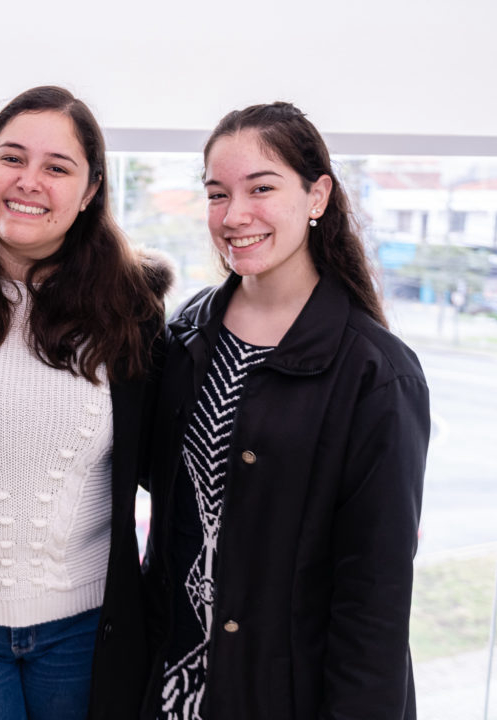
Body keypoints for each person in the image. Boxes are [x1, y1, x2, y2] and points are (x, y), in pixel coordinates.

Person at [140, 102, 429, 720]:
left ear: (317, 195)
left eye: (261, 188)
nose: (234, 215)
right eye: (217, 194)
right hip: (172, 691)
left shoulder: (377, 374)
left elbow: (373, 597)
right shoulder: (187, 335)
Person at [0, 86, 172, 720]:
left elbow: (161, 467)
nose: (30, 181)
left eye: (57, 167)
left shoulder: (134, 306)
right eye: (12, 158)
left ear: (91, 189)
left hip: (89, 628)